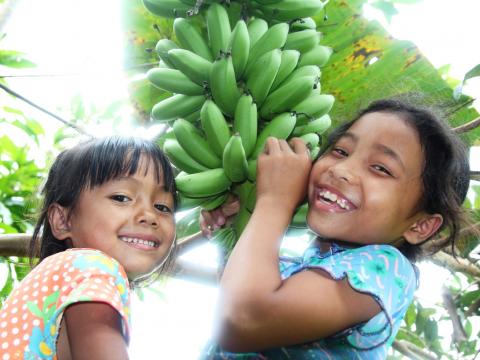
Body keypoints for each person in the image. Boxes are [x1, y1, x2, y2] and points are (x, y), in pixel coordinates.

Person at [201, 99, 472, 359]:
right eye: (340, 151)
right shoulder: (304, 265)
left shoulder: (385, 269)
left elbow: (242, 319)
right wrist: (231, 231)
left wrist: (274, 201)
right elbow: (237, 294)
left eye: (380, 168)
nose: (342, 170)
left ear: (421, 225)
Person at [0, 136, 177, 359]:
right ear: (63, 220)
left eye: (162, 206)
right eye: (122, 197)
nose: (150, 216)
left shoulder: (61, 278)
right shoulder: (95, 265)